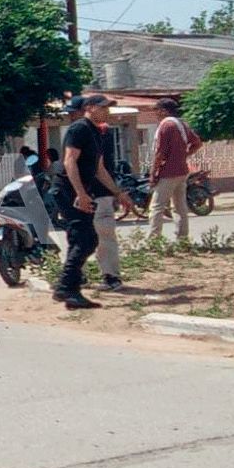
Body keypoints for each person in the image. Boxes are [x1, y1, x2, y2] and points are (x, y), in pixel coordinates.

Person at [55, 95, 135, 308]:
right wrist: (80, 194)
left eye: (108, 107)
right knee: (87, 239)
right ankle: (66, 288)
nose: (107, 111)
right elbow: (69, 160)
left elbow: (99, 169)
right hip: (68, 191)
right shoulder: (79, 128)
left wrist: (119, 193)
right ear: (89, 108)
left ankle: (68, 288)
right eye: (103, 107)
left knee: (81, 238)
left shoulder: (97, 131)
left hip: (81, 191)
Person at [148, 97, 203, 241]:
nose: (156, 114)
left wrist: (153, 173)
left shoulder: (166, 126)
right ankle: (182, 237)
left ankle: (154, 239)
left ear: (164, 111)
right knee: (179, 206)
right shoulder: (181, 125)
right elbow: (197, 143)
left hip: (168, 172)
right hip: (182, 171)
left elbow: (160, 153)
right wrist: (184, 155)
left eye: (157, 111)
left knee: (157, 207)